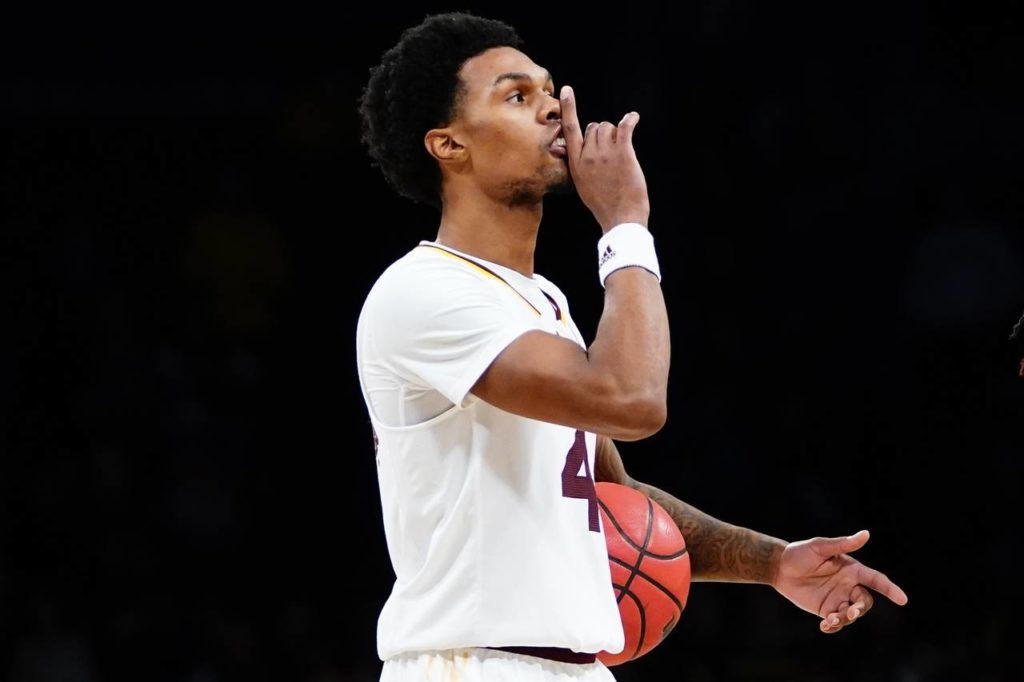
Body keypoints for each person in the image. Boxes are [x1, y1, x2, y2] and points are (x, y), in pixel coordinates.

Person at [355, 11, 908, 681]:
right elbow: (634, 401)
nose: (555, 109)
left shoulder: (540, 303)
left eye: (549, 89)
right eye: (516, 96)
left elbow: (604, 489)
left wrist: (772, 562)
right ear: (448, 144)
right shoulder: (423, 291)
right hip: (470, 664)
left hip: (570, 666)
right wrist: (624, 225)